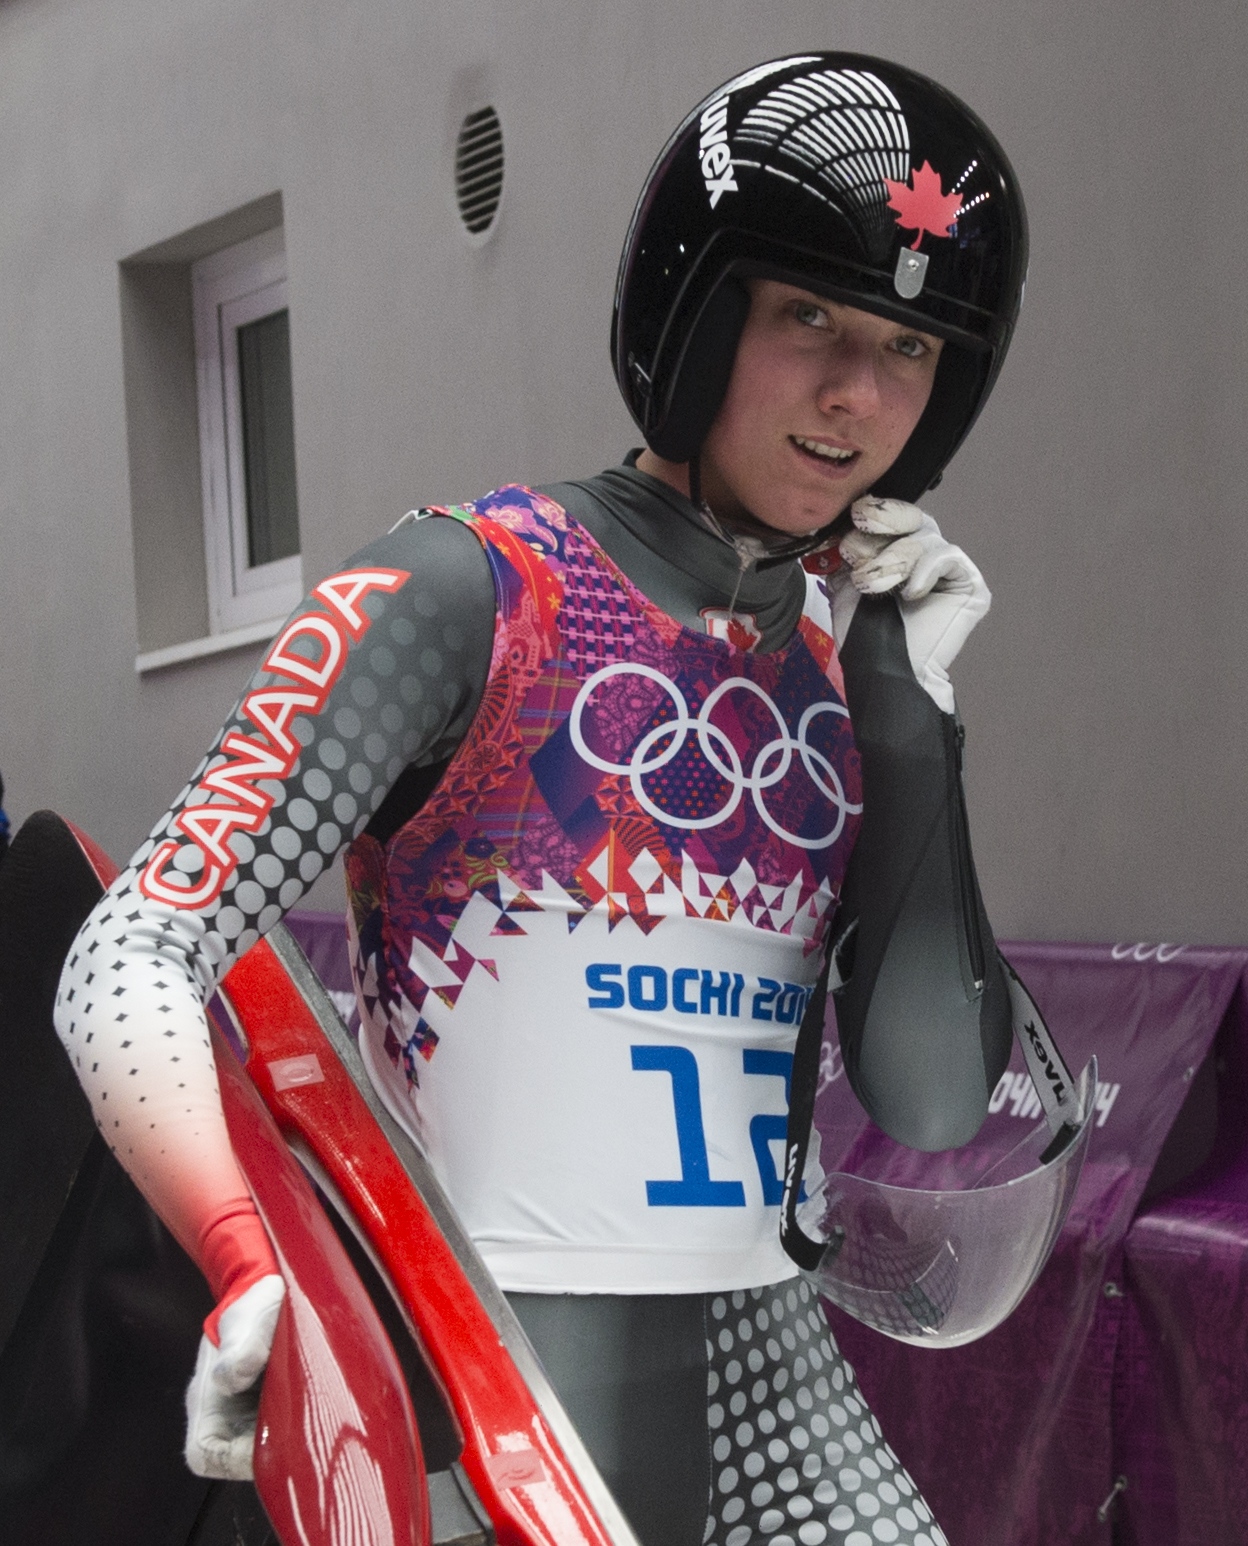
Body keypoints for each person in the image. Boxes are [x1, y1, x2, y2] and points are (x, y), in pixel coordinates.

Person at [54, 53, 1027, 1546]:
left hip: (767, 1370)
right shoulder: (471, 588)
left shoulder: (854, 659)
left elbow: (935, 1098)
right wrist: (249, 1257)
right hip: (479, 1369)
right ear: (697, 320)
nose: (855, 397)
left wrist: (909, 712)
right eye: (810, 318)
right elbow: (132, 947)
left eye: (908, 347)